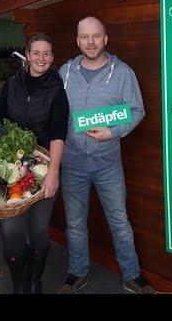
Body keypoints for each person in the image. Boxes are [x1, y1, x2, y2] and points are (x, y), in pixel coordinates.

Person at [57, 16, 155, 294]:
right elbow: (55, 112)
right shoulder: (64, 73)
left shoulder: (123, 73)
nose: (90, 42)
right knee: (75, 224)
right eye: (85, 37)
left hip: (107, 163)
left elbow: (137, 111)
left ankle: (132, 276)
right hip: (72, 162)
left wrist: (113, 133)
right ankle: (77, 273)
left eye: (96, 36)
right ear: (77, 41)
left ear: (105, 39)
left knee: (119, 222)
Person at [0, 32, 69, 294]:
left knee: (37, 232)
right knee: (11, 233)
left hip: (43, 168)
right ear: (27, 54)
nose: (41, 58)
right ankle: (20, 285)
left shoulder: (57, 90)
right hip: (12, 170)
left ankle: (35, 280)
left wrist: (53, 173)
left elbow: (58, 133)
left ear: (52, 57)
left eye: (47, 53)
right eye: (36, 52)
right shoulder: (12, 85)